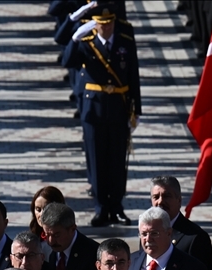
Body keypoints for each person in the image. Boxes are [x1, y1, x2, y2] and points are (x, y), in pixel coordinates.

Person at [61, 5, 141, 227]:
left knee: (117, 161)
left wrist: (137, 110)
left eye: (109, 23)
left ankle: (117, 206)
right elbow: (66, 61)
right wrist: (75, 39)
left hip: (118, 107)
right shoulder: (87, 44)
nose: (106, 28)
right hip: (93, 110)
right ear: (95, 24)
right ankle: (100, 207)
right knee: (96, 160)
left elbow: (133, 75)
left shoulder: (124, 41)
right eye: (102, 24)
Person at [150, 176, 212, 270]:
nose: (160, 201)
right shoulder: (147, 232)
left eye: (167, 196)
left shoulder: (196, 238)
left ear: (179, 200)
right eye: (156, 197)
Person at [40, 203, 101, 270]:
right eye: (47, 234)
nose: (51, 241)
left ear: (72, 229)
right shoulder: (43, 250)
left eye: (56, 235)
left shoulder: (93, 253)